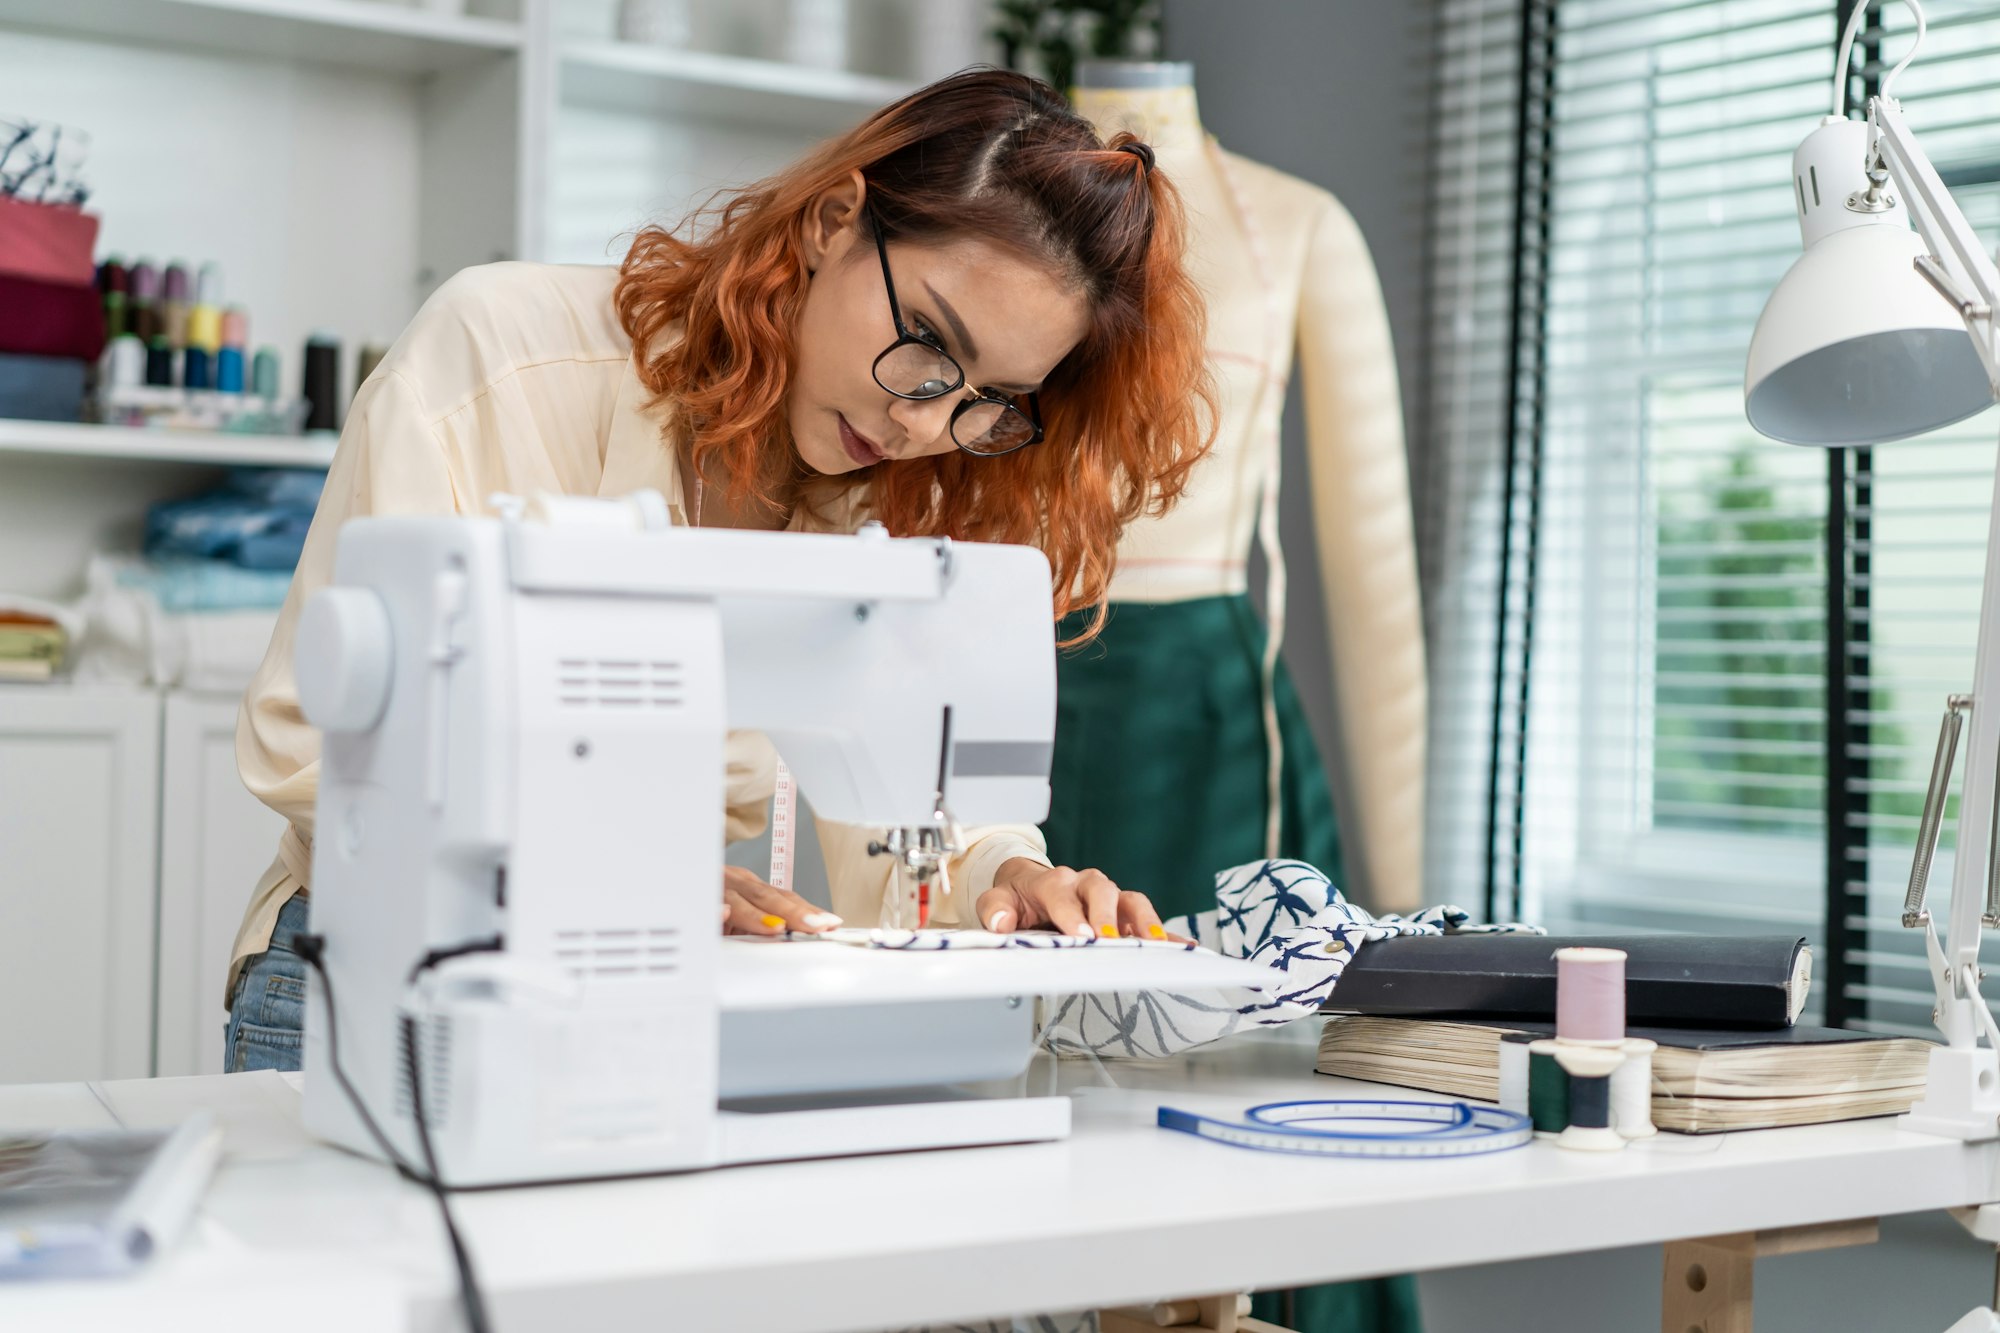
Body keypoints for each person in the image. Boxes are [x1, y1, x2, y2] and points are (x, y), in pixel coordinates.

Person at [221, 68, 1216, 1074]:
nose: (922, 422)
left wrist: (1012, 872)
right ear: (834, 219)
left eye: (988, 398)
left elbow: (900, 813)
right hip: (369, 991)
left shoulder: (889, 492)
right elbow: (316, 732)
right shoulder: (504, 357)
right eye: (922, 340)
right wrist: (610, 874)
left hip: (638, 1015)